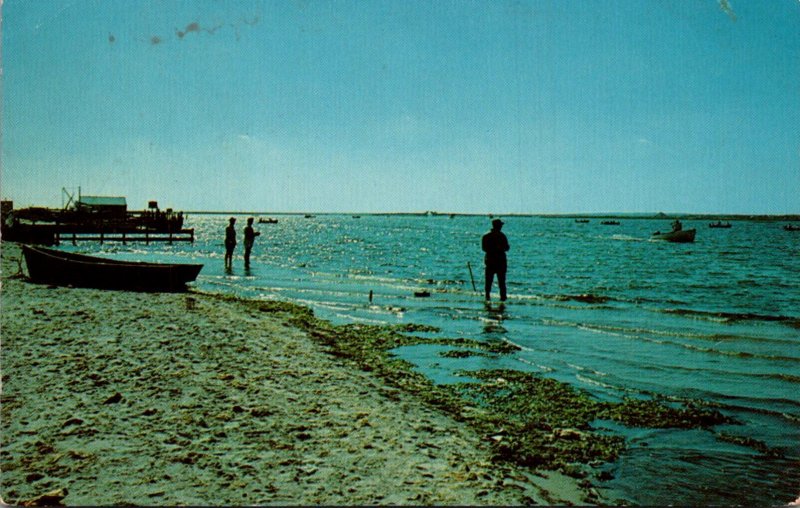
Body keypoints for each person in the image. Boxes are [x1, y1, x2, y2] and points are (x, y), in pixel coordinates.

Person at [482, 218, 510, 302]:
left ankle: (488, 297)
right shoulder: (501, 236)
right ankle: (502, 298)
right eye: (500, 225)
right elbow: (507, 247)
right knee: (501, 281)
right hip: (499, 262)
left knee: (489, 281)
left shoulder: (486, 236)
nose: (501, 226)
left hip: (491, 261)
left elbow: (484, 248)